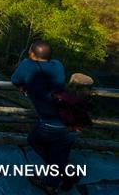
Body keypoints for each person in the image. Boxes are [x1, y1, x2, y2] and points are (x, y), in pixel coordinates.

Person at [11, 41, 77, 194]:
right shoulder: (58, 65)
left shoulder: (27, 65)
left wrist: (25, 86)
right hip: (71, 121)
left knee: (34, 140)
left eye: (29, 51)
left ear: (32, 54)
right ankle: (61, 178)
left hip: (51, 124)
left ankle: (58, 176)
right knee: (59, 152)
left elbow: (15, 80)